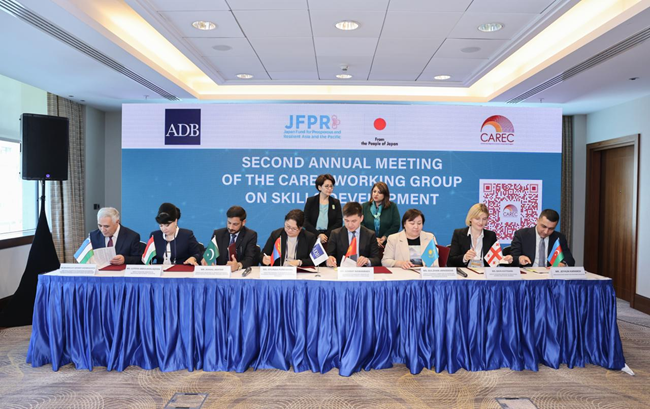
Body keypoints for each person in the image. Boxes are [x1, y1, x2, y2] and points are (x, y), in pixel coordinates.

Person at [447, 203, 513, 267]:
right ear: (470, 218)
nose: (481, 222)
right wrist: (465, 257)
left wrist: (507, 260)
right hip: (465, 272)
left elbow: (495, 260)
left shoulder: (491, 235)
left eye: (484, 219)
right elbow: (451, 260)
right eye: (477, 219)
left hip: (484, 273)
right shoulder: (459, 234)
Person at [511, 209, 575, 267]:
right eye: (543, 226)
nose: (546, 232)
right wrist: (519, 259)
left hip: (550, 274)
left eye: (551, 229)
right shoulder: (521, 235)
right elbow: (513, 257)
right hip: (528, 274)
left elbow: (569, 259)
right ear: (537, 221)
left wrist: (562, 264)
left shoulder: (559, 238)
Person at [203, 206, 259, 270]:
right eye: (229, 223)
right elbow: (209, 252)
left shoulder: (250, 235)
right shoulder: (218, 234)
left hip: (239, 272)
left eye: (235, 224)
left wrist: (238, 265)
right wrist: (206, 258)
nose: (230, 227)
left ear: (243, 222)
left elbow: (250, 258)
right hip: (221, 272)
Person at [326, 202, 381, 267]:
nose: (350, 225)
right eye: (346, 220)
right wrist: (329, 260)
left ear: (361, 218)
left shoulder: (370, 235)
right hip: (341, 271)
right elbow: (329, 256)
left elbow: (376, 259)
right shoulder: (335, 234)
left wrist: (367, 260)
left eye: (354, 221)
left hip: (362, 271)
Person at [303, 174, 342, 244]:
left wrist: (325, 236)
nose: (330, 188)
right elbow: (305, 221)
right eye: (327, 186)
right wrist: (318, 234)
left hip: (330, 238)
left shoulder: (336, 202)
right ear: (319, 187)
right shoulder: (311, 201)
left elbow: (339, 222)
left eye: (331, 186)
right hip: (312, 237)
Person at [361, 182, 400, 249]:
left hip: (387, 244)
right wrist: (373, 239)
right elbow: (361, 224)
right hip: (367, 243)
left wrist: (384, 237)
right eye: (374, 191)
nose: (376, 194)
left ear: (385, 194)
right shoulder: (365, 206)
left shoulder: (392, 207)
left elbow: (395, 225)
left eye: (379, 192)